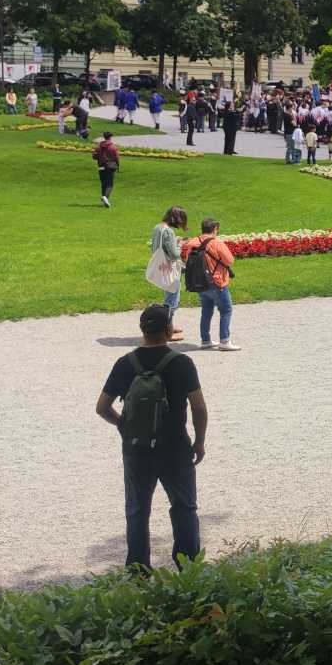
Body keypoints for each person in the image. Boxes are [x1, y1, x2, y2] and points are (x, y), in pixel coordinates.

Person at [95, 305, 207, 570]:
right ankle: (189, 569)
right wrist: (199, 442)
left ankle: (138, 572)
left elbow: (102, 407)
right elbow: (199, 407)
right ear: (168, 331)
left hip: (137, 450)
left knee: (137, 511)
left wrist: (123, 425)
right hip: (175, 449)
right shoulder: (182, 363)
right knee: (184, 508)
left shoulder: (125, 364)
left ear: (142, 330)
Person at [182, 218, 239, 351]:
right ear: (214, 229)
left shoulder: (192, 242)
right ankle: (224, 340)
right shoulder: (217, 243)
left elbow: (187, 259)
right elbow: (230, 260)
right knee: (226, 310)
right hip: (217, 281)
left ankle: (205, 340)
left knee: (206, 311)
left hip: (200, 282)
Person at [150, 206, 188, 340]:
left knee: (169, 296)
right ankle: (167, 331)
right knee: (172, 300)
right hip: (170, 269)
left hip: (161, 267)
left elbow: (157, 247)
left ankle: (169, 325)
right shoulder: (169, 232)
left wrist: (174, 241)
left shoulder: (158, 227)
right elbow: (174, 254)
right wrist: (180, 244)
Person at [93, 130, 120, 207]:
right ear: (110, 137)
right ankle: (105, 197)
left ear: (104, 137)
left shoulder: (99, 147)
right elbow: (116, 158)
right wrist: (118, 166)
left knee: (103, 183)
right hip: (110, 166)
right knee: (110, 184)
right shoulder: (113, 147)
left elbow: (94, 156)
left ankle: (103, 199)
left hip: (101, 166)